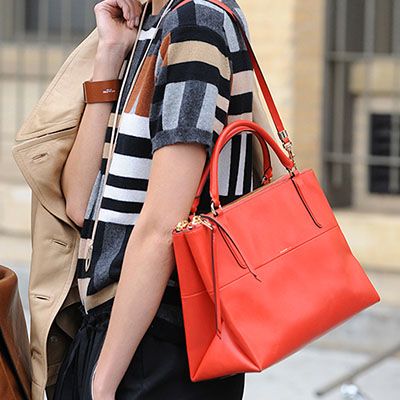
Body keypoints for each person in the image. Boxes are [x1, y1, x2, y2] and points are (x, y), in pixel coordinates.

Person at [54, 0, 256, 398]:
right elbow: (79, 203)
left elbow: (164, 227)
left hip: (160, 341)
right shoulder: (150, 25)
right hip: (114, 328)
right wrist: (110, 53)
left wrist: (101, 383)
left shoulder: (196, 26)